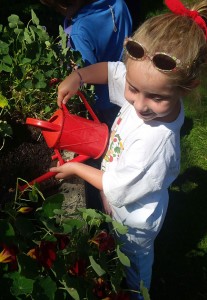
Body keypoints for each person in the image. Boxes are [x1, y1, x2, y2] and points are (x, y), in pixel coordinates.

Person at [50, 0, 207, 298]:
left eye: (155, 97)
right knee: (113, 241)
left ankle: (138, 293)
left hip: (135, 223)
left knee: (134, 266)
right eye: (133, 89)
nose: (139, 104)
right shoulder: (150, 84)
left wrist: (73, 168)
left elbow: (115, 185)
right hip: (120, 200)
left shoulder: (155, 143)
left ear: (186, 88)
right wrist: (79, 76)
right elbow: (113, 71)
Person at [40, 0, 132, 128]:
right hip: (128, 82)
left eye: (57, 9)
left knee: (114, 134)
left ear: (64, 5)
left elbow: (87, 72)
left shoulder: (79, 31)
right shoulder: (119, 4)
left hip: (106, 100)